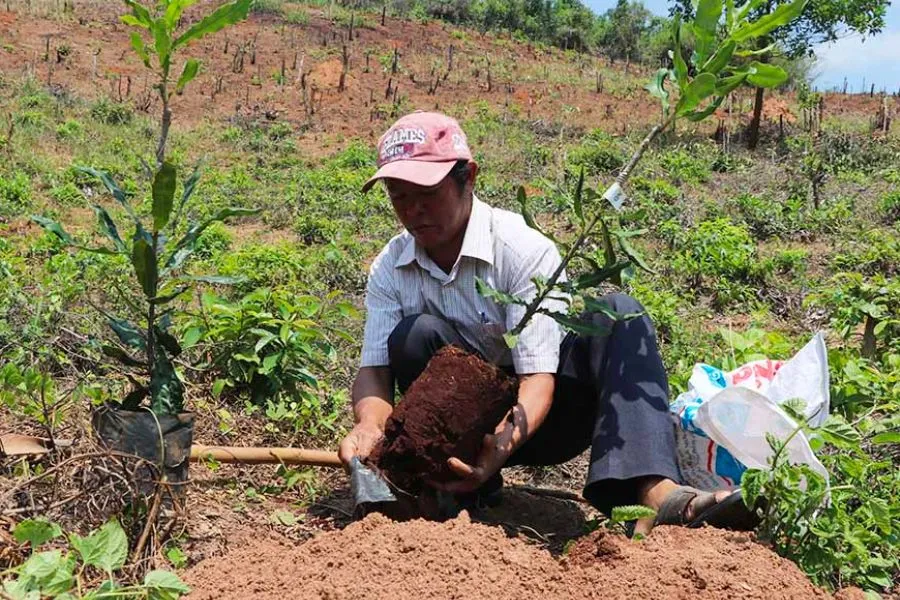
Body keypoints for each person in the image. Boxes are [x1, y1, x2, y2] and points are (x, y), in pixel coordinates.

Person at [338, 111, 756, 535]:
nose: (413, 210)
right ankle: (450, 485)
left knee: (619, 313)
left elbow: (538, 380)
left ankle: (654, 493)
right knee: (415, 336)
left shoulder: (520, 249)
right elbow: (373, 371)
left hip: (548, 413)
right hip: (464, 424)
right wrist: (371, 424)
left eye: (426, 193)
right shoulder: (392, 265)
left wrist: (497, 449)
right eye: (399, 197)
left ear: (469, 178)